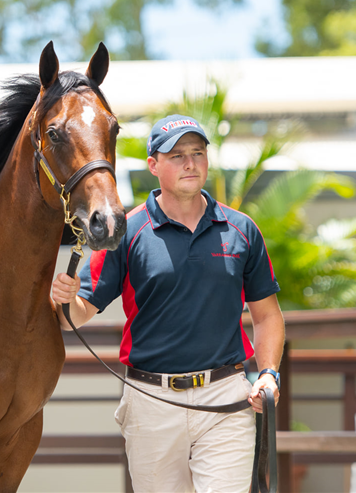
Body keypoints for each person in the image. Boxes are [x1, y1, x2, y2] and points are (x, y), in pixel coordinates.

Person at [51, 114, 285, 493]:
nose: (190, 163)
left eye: (197, 153)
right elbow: (78, 314)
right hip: (151, 400)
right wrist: (64, 300)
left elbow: (267, 316)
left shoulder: (242, 230)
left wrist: (268, 373)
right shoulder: (127, 231)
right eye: (176, 155)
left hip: (225, 395)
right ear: (153, 166)